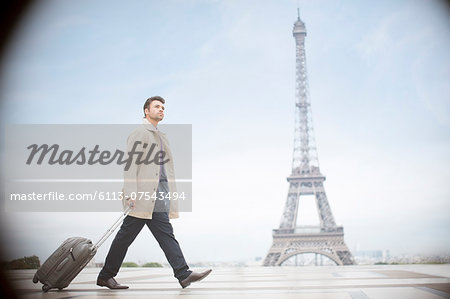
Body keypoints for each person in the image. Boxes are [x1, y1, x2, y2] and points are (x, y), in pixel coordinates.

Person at [97, 96, 211, 289]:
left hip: (157, 195)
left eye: (163, 107)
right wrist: (130, 193)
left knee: (165, 235)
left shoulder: (159, 135)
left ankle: (183, 274)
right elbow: (130, 165)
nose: (161, 110)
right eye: (157, 107)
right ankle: (106, 275)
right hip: (142, 196)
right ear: (146, 111)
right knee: (125, 237)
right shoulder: (140, 133)